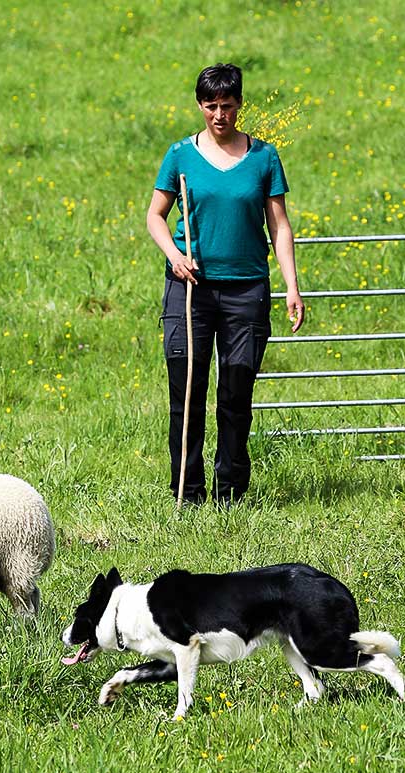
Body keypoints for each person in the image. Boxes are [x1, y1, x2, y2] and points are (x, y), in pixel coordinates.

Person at [146, 62, 304, 506]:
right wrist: (175, 257)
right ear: (200, 105)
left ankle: (229, 494)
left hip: (246, 290)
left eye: (228, 106)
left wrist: (292, 286)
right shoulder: (180, 155)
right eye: (211, 106)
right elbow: (155, 216)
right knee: (188, 393)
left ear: (239, 106)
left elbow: (280, 227)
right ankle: (187, 494)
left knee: (236, 393)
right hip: (190, 288)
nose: (220, 114)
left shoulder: (263, 157)